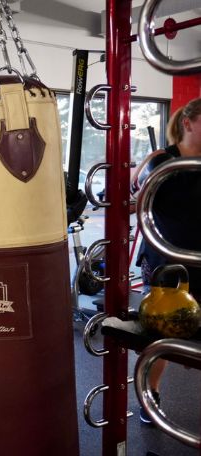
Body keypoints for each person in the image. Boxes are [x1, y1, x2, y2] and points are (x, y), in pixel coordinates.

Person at [131, 97, 201, 424]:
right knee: (164, 333)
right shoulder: (162, 161)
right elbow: (137, 195)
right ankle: (151, 394)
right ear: (188, 123)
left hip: (199, 258)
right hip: (166, 260)